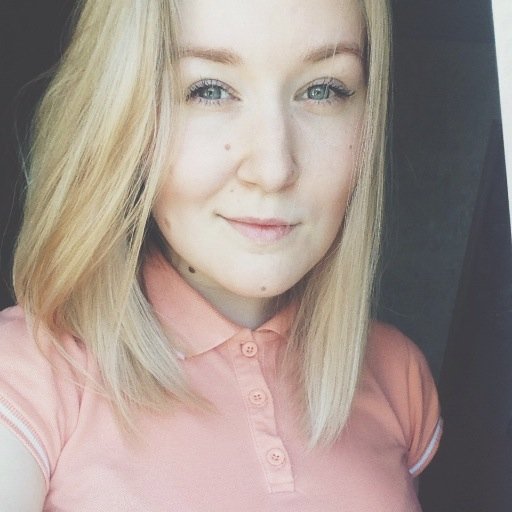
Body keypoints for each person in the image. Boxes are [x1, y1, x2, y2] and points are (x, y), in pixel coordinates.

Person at [0, 0, 442, 510]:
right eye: (209, 90)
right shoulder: (29, 377)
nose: (274, 169)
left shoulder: (398, 377)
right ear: (120, 118)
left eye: (323, 90)